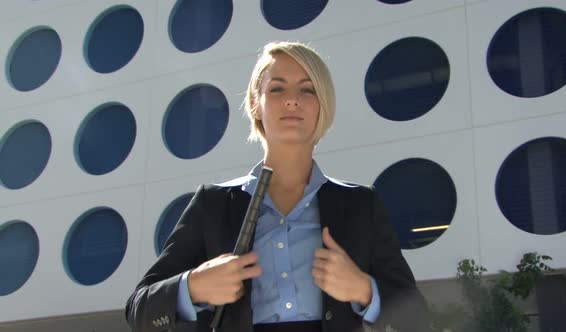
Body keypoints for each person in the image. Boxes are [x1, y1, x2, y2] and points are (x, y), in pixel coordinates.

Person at [126, 41, 429, 332]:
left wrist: (364, 289)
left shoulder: (361, 205)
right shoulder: (212, 204)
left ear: (323, 105)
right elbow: (138, 310)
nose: (292, 99)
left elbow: (416, 319)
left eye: (307, 89)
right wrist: (193, 286)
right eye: (277, 88)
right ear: (256, 105)